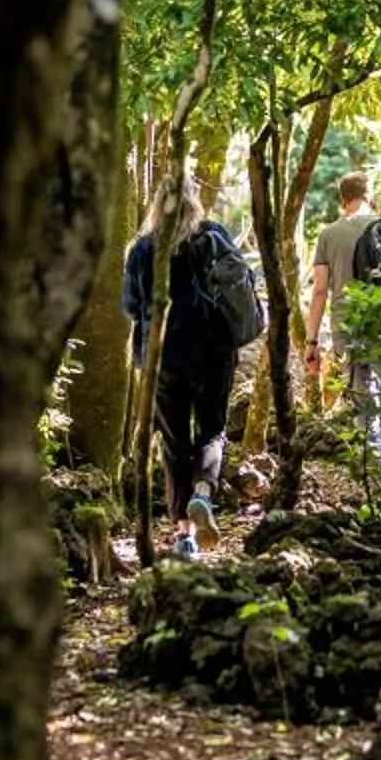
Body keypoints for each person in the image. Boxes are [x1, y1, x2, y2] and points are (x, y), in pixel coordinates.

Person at [121, 178, 254, 562]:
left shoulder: (143, 248)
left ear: (157, 204)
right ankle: (203, 494)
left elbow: (132, 305)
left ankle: (184, 537)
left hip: (164, 357)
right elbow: (243, 283)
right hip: (214, 350)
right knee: (212, 430)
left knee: (175, 444)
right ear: (195, 202)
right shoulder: (213, 235)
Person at [304, 170, 381, 468]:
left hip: (345, 323)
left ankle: (372, 462)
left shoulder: (328, 234)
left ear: (342, 200)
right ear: (370, 195)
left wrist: (312, 341)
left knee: (361, 396)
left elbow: (319, 291)